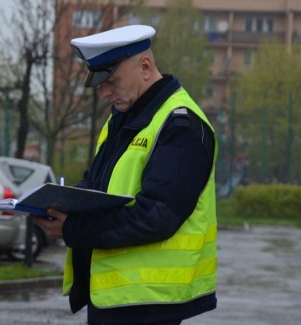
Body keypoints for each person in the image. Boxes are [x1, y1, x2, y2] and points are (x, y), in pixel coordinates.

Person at [35, 24, 217, 325]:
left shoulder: (180, 125)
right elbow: (97, 186)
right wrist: (53, 203)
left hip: (150, 303)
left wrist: (74, 229)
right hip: (117, 300)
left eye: (112, 80)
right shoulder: (123, 119)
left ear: (145, 67)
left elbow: (157, 216)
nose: (104, 92)